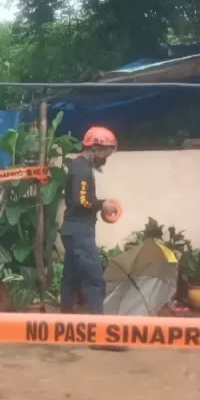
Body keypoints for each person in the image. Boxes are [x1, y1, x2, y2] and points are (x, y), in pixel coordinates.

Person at [60, 126, 119, 317]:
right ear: (95, 148)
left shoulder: (80, 167)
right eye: (105, 154)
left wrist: (100, 205)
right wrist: (103, 205)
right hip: (79, 232)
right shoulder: (82, 169)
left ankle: (64, 325)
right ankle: (99, 333)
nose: (105, 159)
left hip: (73, 229)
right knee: (95, 280)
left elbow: (82, 198)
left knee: (71, 279)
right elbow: (82, 200)